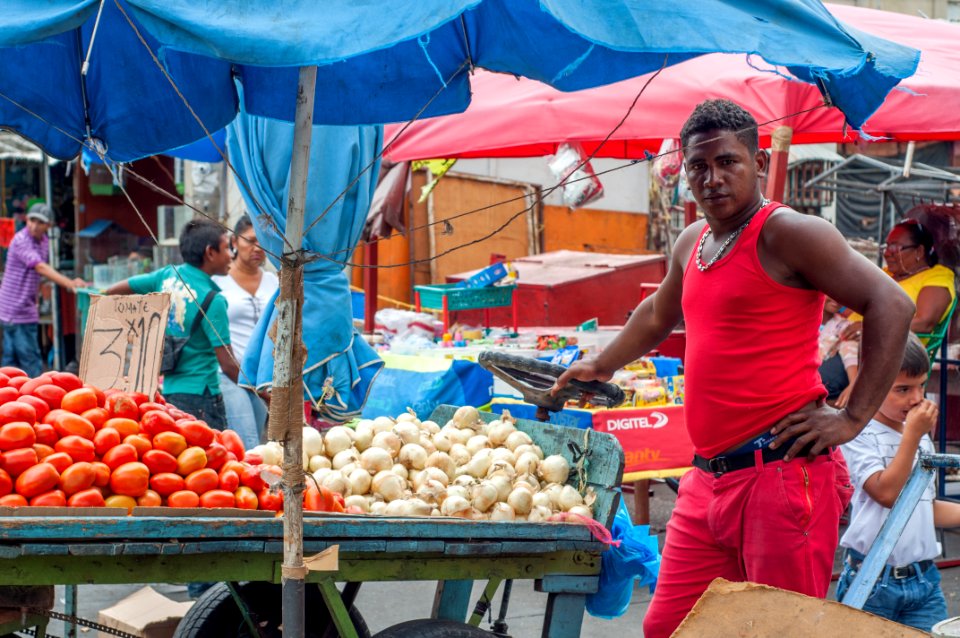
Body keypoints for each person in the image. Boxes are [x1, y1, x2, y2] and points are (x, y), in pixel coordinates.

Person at [553, 99, 916, 638]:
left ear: (758, 160)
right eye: (699, 166)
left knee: (780, 632)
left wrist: (852, 418)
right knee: (669, 628)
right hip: (706, 480)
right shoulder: (691, 242)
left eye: (727, 162)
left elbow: (892, 303)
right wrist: (601, 364)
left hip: (782, 477)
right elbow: (657, 315)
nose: (712, 178)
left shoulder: (787, 232)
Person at [837, 333, 960, 632]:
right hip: (872, 581)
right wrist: (911, 437)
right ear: (871, 385)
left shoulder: (918, 437)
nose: (917, 398)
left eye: (920, 386)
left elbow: (921, 506)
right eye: (903, 389)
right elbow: (887, 493)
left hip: (924, 581)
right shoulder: (858, 434)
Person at [107, 218, 238, 429]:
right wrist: (261, 392)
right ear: (210, 253)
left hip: (167, 394)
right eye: (226, 249)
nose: (231, 255)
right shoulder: (213, 300)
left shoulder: (166, 276)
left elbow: (113, 291)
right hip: (202, 397)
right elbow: (229, 366)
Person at [213, 215, 278, 449]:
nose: (258, 248)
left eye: (264, 242)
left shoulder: (274, 281)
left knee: (260, 440)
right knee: (247, 442)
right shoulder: (218, 282)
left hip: (261, 376)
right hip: (228, 372)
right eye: (251, 240)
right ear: (234, 241)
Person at [0, 203, 86, 377]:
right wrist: (69, 283)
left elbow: (37, 274)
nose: (34, 225)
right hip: (14, 310)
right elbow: (40, 267)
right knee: (25, 363)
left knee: (14, 362)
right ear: (26, 220)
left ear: (48, 226)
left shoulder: (44, 242)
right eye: (32, 220)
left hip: (26, 308)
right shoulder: (21, 240)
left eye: (40, 222)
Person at [843, 218, 956, 349]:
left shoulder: (937, 276)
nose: (886, 253)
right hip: (848, 338)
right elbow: (852, 306)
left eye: (895, 247)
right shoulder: (886, 273)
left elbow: (924, 323)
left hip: (887, 350)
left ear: (919, 251)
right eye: (886, 246)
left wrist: (871, 328)